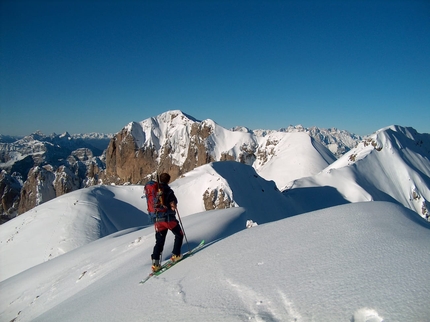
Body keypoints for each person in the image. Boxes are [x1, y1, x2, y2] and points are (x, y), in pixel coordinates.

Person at [150, 173, 184, 272]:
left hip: (158, 221)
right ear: (168, 180)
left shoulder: (155, 190)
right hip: (169, 219)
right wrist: (173, 205)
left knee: (159, 242)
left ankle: (155, 264)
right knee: (179, 235)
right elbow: (173, 205)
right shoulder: (169, 191)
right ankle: (176, 255)